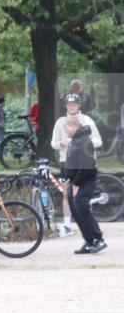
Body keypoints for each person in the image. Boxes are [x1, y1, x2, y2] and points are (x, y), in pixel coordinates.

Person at [51, 94, 103, 238]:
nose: (71, 107)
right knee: (67, 194)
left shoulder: (87, 120)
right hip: (67, 161)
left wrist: (84, 144)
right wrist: (62, 144)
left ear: (79, 105)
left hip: (84, 162)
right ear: (65, 106)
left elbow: (98, 141)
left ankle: (89, 226)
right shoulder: (60, 122)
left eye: (74, 104)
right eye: (69, 104)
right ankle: (67, 225)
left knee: (81, 196)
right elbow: (54, 143)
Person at [62, 115, 106, 254]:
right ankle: (89, 241)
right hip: (75, 181)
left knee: (81, 206)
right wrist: (67, 178)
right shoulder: (75, 140)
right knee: (75, 210)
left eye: (66, 128)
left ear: (74, 127)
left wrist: (76, 184)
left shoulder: (85, 141)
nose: (65, 131)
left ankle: (98, 239)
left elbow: (87, 166)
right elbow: (72, 162)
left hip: (86, 180)